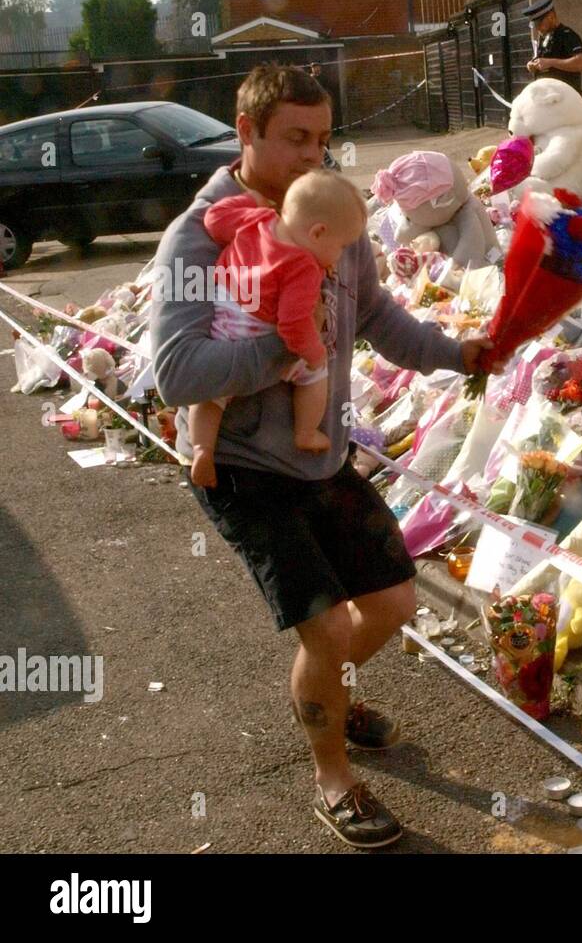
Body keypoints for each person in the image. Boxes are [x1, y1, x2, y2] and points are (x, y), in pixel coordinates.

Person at [149, 63, 500, 849]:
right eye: (294, 140)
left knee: (393, 604)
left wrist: (459, 353)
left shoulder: (331, 214)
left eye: (323, 137)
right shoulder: (198, 237)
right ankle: (334, 778)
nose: (315, 156)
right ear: (246, 134)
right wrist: (288, 346)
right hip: (240, 466)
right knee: (325, 629)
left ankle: (328, 693)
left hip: (322, 453)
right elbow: (176, 374)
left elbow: (374, 311)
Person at [188, 170, 367, 489]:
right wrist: (314, 354)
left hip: (224, 318)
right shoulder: (302, 267)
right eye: (340, 246)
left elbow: (214, 219)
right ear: (317, 232)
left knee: (210, 398)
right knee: (315, 375)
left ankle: (202, 448)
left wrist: (249, 199)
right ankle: (306, 431)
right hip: (258, 327)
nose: (340, 256)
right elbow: (292, 323)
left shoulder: (256, 220)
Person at [523, 0, 582, 95]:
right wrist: (533, 65)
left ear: (551, 16)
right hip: (547, 97)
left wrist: (551, 62)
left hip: (566, 98)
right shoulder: (543, 37)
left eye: (539, 23)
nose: (537, 28)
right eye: (534, 24)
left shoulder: (567, 35)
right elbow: (543, 60)